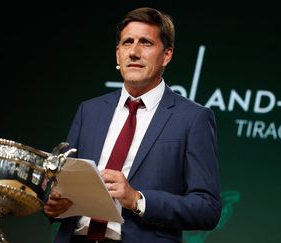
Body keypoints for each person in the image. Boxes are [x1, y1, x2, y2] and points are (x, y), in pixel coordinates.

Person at [44, 7, 221, 243]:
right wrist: (52, 202)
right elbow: (58, 183)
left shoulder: (193, 118)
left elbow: (207, 208)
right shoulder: (89, 110)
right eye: (127, 42)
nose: (134, 52)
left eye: (146, 43)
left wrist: (137, 199)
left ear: (166, 55)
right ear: (118, 54)